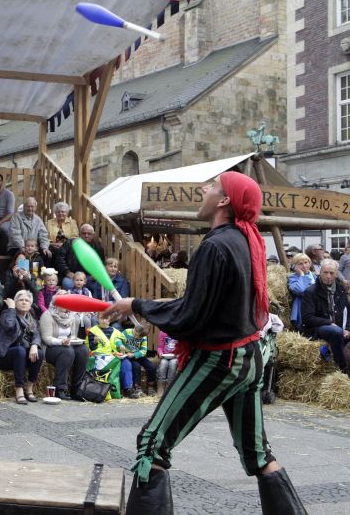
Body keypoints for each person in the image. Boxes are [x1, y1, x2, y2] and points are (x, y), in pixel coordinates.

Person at [104, 172, 306, 515]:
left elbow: (189, 315)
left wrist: (137, 304)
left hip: (220, 360)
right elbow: (207, 305)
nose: (204, 188)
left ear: (224, 200)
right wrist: (139, 305)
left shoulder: (214, 246)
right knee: (259, 455)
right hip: (250, 357)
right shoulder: (247, 240)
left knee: (152, 446)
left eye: (212, 186)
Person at [300, 259, 350, 375]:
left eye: (331, 273)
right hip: (318, 328)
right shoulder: (311, 291)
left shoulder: (341, 289)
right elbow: (307, 318)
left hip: (340, 326)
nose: (328, 276)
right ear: (320, 272)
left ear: (336, 274)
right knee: (336, 332)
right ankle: (342, 369)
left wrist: (348, 328)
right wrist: (328, 322)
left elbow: (348, 311)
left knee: (339, 331)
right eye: (325, 272)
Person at [0, 291, 44, 405]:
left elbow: (36, 334)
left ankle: (29, 388)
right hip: (5, 355)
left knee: (39, 353)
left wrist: (34, 345)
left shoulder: (31, 317)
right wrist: (11, 309)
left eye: (27, 300)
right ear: (15, 303)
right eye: (21, 300)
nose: (24, 302)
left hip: (22, 357)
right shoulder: (7, 313)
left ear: (30, 304)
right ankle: (19, 390)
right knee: (20, 351)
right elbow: (9, 325)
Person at [40, 295, 86, 400]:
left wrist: (74, 340)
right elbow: (46, 338)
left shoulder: (71, 316)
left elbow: (72, 336)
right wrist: (61, 341)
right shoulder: (47, 315)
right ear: (56, 304)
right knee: (67, 352)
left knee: (83, 350)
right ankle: (59, 388)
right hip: (50, 348)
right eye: (63, 302)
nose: (67, 305)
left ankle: (76, 388)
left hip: (66, 345)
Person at [86, 312, 125, 399]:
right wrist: (95, 342)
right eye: (102, 318)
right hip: (97, 356)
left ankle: (112, 392)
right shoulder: (93, 331)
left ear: (110, 319)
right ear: (98, 319)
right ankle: (95, 391)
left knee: (117, 367)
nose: (104, 321)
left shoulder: (116, 332)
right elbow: (91, 348)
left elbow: (118, 342)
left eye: (106, 318)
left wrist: (121, 346)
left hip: (112, 357)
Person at [56, 223, 102, 289]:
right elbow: (60, 259)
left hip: (89, 277)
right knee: (67, 284)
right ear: (79, 234)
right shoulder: (69, 243)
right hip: (72, 276)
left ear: (93, 235)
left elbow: (101, 263)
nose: (86, 236)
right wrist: (67, 272)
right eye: (84, 233)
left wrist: (95, 274)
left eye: (89, 234)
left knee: (98, 285)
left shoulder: (98, 247)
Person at [118, 324, 157, 398]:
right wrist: (120, 345)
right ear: (134, 328)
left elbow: (143, 351)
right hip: (128, 355)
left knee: (152, 367)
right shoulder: (127, 332)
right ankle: (137, 387)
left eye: (139, 337)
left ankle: (150, 386)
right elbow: (118, 339)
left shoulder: (143, 337)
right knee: (136, 366)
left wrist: (134, 354)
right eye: (135, 334)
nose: (136, 337)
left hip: (137, 355)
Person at [287, 253, 316, 330]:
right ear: (295, 266)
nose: (304, 266)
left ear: (310, 263)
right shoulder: (293, 278)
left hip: (316, 305)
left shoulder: (315, 276)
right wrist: (302, 275)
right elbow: (299, 290)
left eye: (306, 262)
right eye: (300, 264)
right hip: (302, 307)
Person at [155, 330, 177, 398]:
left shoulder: (178, 333)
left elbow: (182, 346)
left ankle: (169, 387)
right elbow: (160, 347)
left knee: (173, 364)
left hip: (175, 356)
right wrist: (160, 353)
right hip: (165, 356)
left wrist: (178, 354)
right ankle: (160, 387)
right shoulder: (162, 333)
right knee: (163, 364)